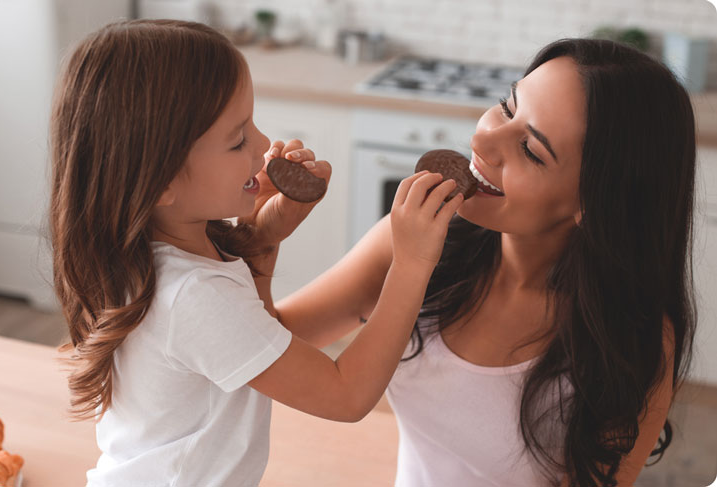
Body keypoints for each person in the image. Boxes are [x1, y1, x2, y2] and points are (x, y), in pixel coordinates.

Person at [48, 19, 463, 486]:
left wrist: (261, 242)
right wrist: (411, 265)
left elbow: (254, 343)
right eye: (238, 139)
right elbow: (346, 396)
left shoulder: (148, 254)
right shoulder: (193, 295)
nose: (264, 145)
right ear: (160, 180)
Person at [271, 38, 697, 487]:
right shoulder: (420, 246)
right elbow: (259, 347)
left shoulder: (633, 341)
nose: (481, 139)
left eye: (531, 150)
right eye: (506, 108)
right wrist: (263, 236)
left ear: (596, 202)